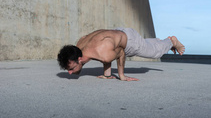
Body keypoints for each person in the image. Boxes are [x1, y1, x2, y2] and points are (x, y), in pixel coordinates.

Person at [57, 28, 185, 81]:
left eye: (71, 68)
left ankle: (171, 41)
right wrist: (107, 75)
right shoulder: (80, 45)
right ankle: (164, 41)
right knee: (147, 45)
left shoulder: (103, 53)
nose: (69, 72)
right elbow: (102, 52)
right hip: (115, 35)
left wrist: (122, 75)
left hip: (129, 41)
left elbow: (120, 53)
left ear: (80, 59)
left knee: (154, 52)